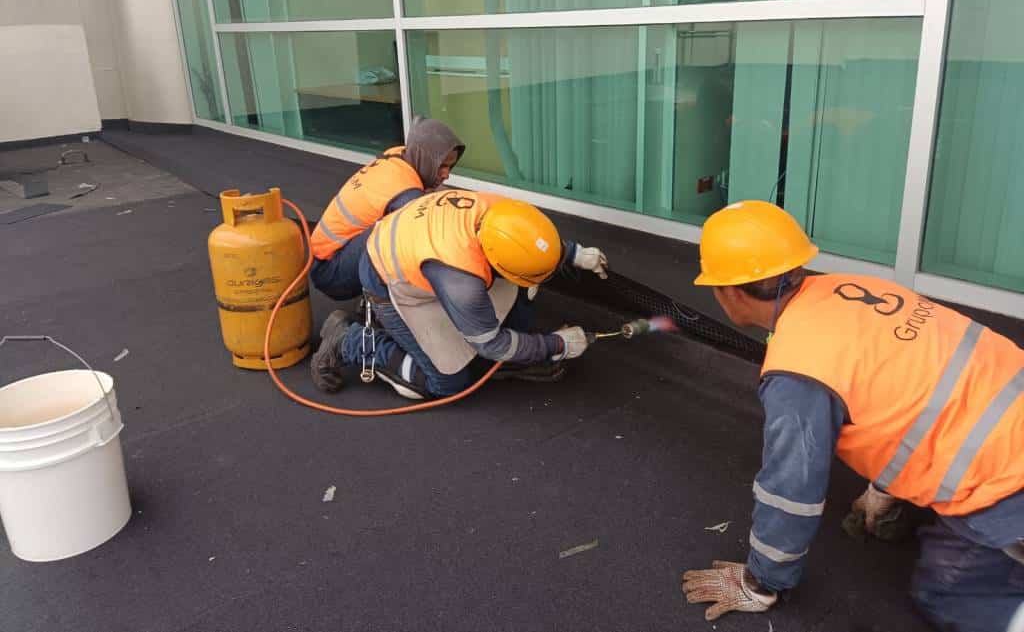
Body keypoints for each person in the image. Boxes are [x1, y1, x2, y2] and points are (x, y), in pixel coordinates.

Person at [681, 200, 1023, 632]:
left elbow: (791, 488)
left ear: (728, 291)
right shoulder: (857, 288)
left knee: (949, 591)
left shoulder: (797, 372)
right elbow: (916, 380)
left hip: (1007, 477)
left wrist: (763, 581)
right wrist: (885, 487)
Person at [310, 187, 609, 399]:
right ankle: (351, 340)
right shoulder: (461, 283)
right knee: (446, 381)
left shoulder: (501, 212)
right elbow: (491, 344)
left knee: (522, 291)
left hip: (416, 246)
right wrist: (555, 344)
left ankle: (516, 353)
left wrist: (573, 253)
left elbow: (529, 237)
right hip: (386, 278)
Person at [308, 116, 464, 303]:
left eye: (450, 166)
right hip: (331, 271)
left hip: (327, 254)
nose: (446, 174)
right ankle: (378, 306)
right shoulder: (405, 193)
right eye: (442, 166)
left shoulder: (399, 156)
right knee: (402, 233)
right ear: (424, 158)